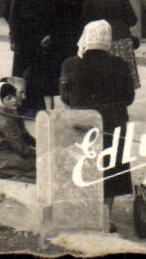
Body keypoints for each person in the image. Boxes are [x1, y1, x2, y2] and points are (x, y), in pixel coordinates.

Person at [60, 19, 136, 227]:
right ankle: (105, 217)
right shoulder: (120, 64)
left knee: (84, 168)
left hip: (83, 126)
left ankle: (85, 214)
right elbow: (129, 98)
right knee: (111, 172)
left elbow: (65, 97)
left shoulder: (71, 64)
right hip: (114, 124)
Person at [6, 0, 52, 115]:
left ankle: (34, 106)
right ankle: (24, 106)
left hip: (40, 41)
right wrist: (14, 38)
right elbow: (12, 16)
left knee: (37, 75)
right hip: (26, 40)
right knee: (25, 75)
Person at [81, 0, 140, 87]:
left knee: (104, 77)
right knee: (123, 76)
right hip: (121, 38)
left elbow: (85, 21)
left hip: (99, 41)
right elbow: (132, 19)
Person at [0, 79, 37, 182]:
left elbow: (23, 137)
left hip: (4, 159)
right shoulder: (4, 119)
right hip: (4, 163)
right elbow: (20, 148)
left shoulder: (4, 111)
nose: (14, 100)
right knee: (46, 168)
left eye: (14, 96)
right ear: (1, 100)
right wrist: (40, 154)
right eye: (9, 98)